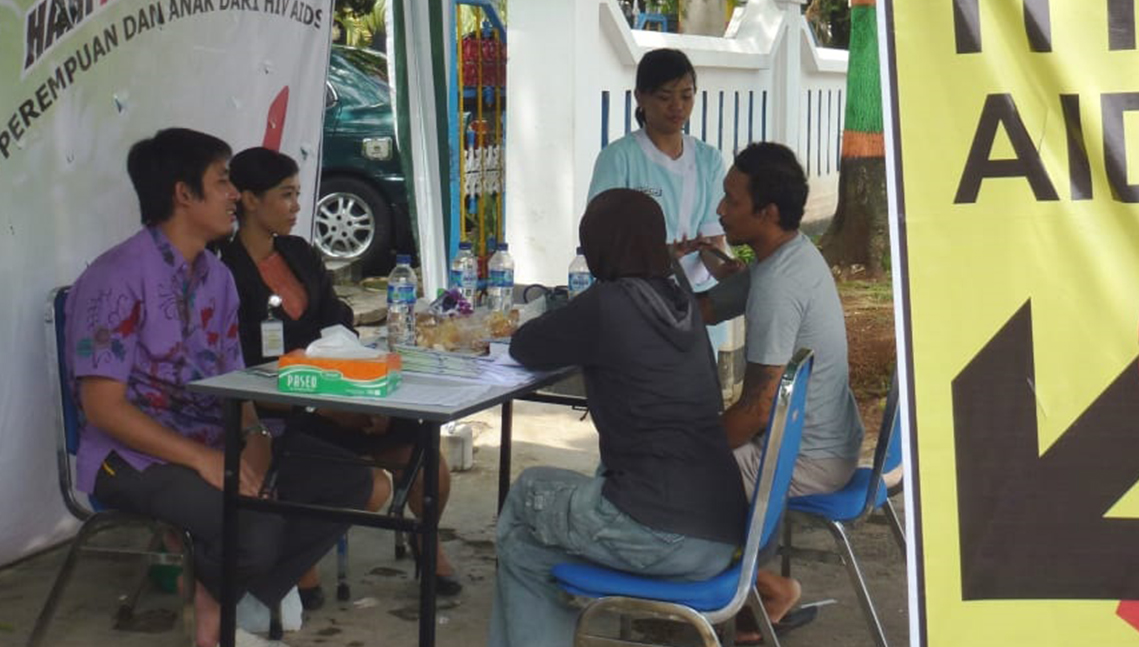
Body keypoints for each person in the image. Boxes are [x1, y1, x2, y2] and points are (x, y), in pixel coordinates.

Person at [66, 128, 373, 647]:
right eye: (223, 181)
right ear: (184, 194)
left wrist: (254, 440)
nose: (235, 194)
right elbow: (102, 409)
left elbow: (233, 380)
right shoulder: (115, 276)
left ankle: (218, 600)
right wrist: (203, 460)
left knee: (346, 483)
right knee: (251, 529)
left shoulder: (216, 276)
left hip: (212, 439)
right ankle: (215, 615)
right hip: (132, 457)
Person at [488, 189, 748, 647]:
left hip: (660, 530)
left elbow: (527, 345)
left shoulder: (608, 304)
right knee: (531, 549)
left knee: (528, 497)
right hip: (721, 526)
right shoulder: (680, 296)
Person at [218, 146, 461, 598]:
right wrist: (325, 401)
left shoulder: (298, 252)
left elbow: (337, 317)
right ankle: (299, 564)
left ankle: (427, 541)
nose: (295, 207)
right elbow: (245, 362)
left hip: (339, 387)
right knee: (366, 484)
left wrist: (355, 384)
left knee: (422, 444)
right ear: (249, 200)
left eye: (297, 195)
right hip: (282, 403)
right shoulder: (224, 270)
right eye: (285, 195)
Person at [701, 142, 866, 645]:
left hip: (810, 458)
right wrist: (654, 273)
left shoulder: (778, 285)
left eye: (731, 200)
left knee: (669, 478)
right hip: (827, 441)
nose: (720, 209)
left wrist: (688, 446)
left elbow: (753, 414)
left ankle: (761, 589)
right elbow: (702, 309)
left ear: (766, 212)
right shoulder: (787, 256)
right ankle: (752, 593)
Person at [588, 47, 733, 287]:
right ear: (640, 97)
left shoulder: (710, 160)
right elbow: (602, 242)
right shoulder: (618, 158)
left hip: (702, 303)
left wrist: (725, 271)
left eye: (686, 96)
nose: (677, 106)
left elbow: (713, 241)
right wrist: (662, 256)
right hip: (639, 298)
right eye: (665, 97)